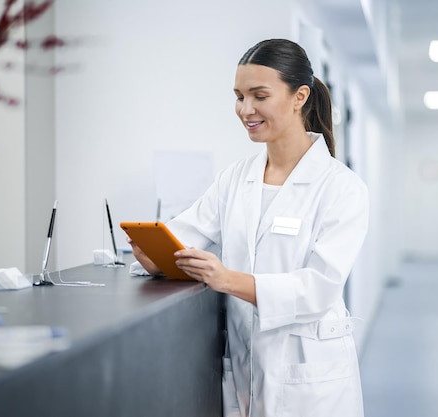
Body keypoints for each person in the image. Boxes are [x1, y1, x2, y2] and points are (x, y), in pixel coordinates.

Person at [127, 38, 369, 417]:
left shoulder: (341, 187)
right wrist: (153, 254)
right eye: (239, 96)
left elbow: (319, 288)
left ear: (299, 96)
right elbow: (184, 235)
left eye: (259, 95)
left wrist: (228, 280)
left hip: (309, 377)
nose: (245, 109)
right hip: (244, 368)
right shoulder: (236, 178)